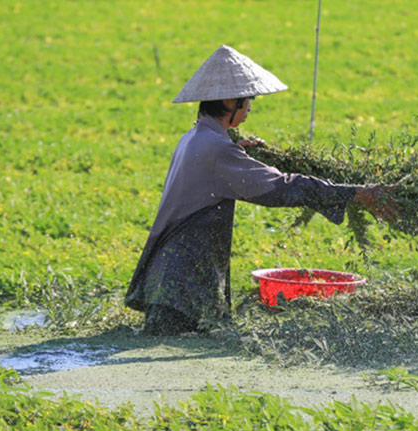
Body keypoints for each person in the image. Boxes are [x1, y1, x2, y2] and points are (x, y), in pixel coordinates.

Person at [125, 45, 394, 336]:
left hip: (169, 277)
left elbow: (213, 171)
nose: (251, 105)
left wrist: (235, 152)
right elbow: (279, 188)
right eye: (249, 99)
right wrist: (353, 192)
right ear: (230, 100)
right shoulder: (217, 150)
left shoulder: (194, 138)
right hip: (183, 282)